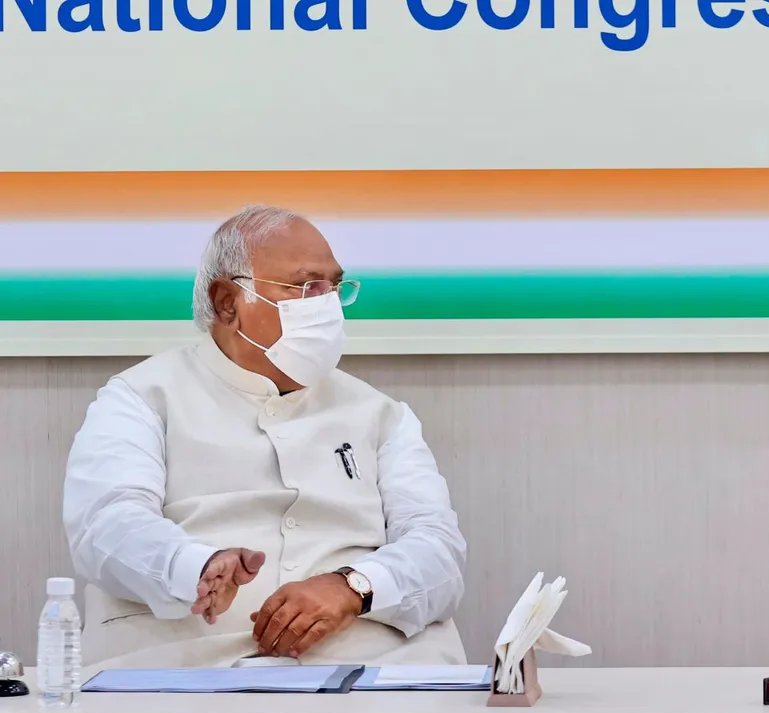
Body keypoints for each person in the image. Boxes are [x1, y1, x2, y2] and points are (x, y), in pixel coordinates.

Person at [63, 205, 468, 669]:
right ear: (228, 302)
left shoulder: (381, 414)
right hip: (183, 664)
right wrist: (192, 564)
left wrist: (355, 585)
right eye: (305, 287)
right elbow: (105, 526)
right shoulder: (140, 398)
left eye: (334, 287)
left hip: (366, 664)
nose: (327, 304)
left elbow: (440, 551)